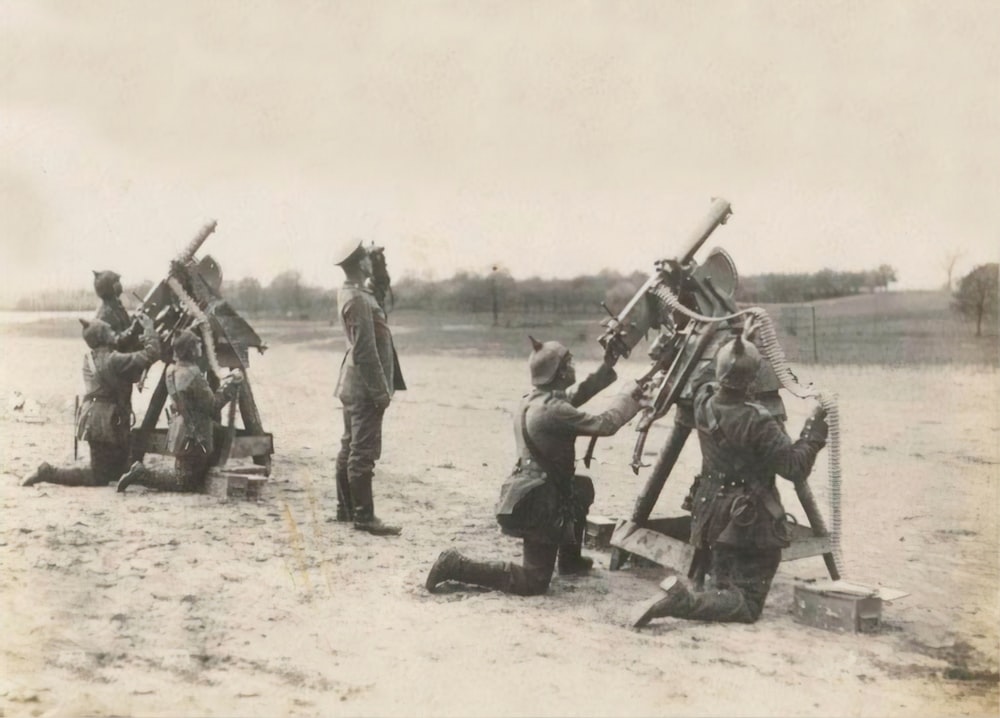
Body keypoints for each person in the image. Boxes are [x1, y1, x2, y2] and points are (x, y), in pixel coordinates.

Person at [631, 328, 828, 627]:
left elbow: (703, 378)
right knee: (746, 604)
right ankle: (681, 602)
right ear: (753, 378)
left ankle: (701, 594)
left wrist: (729, 345)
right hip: (745, 523)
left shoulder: (702, 400)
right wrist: (813, 430)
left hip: (711, 516)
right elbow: (794, 467)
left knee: (721, 585)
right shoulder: (756, 420)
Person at [425, 337, 644, 596]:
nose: (574, 367)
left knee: (580, 488)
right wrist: (631, 398)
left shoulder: (536, 400)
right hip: (541, 501)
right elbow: (605, 424)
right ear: (560, 372)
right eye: (570, 363)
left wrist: (608, 366)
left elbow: (574, 397)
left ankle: (570, 560)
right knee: (533, 581)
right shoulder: (553, 411)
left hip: (536, 486)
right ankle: (456, 565)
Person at [21, 315, 160, 488]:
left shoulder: (91, 357)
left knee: (117, 470)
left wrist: (133, 329)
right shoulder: (113, 360)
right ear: (102, 337)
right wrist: (149, 328)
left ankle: (48, 473)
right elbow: (152, 353)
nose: (114, 333)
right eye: (109, 330)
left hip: (96, 420)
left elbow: (119, 345)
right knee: (98, 477)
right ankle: (47, 472)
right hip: (106, 424)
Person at [333, 239, 405, 536]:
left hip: (352, 384)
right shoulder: (359, 299)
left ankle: (346, 510)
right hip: (364, 388)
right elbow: (365, 350)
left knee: (350, 446)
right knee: (362, 452)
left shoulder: (353, 292)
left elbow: (382, 294)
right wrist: (380, 392)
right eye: (366, 259)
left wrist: (379, 267)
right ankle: (364, 517)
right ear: (360, 263)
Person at [116, 329, 243, 493]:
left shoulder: (171, 370)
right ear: (190, 349)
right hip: (195, 436)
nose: (200, 346)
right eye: (197, 344)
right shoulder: (193, 374)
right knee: (184, 483)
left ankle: (143, 472)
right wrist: (231, 386)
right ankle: (142, 474)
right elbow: (213, 406)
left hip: (180, 431)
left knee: (185, 472)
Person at [92, 269, 135, 349]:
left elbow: (126, 324)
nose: (119, 284)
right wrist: (134, 328)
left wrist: (136, 318)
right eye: (116, 281)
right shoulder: (105, 314)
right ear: (109, 287)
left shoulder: (116, 305)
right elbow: (117, 341)